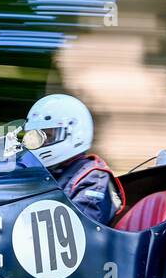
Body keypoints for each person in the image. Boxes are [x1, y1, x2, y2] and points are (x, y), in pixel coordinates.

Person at [23, 94, 125, 224]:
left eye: (48, 136)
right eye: (36, 136)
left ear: (75, 134)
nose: (41, 143)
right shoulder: (46, 173)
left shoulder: (93, 178)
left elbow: (79, 229)